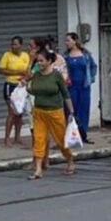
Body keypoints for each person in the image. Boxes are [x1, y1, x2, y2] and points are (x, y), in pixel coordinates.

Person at [26, 50, 76, 179]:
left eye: (42, 61)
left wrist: (71, 111)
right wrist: (31, 61)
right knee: (39, 139)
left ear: (49, 61)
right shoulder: (36, 75)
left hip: (55, 112)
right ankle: (38, 169)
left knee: (60, 139)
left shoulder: (56, 75)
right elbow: (27, 80)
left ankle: (70, 160)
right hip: (39, 112)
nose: (40, 63)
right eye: (38, 61)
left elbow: (65, 93)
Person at [63, 32, 98, 145]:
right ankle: (72, 135)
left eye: (68, 40)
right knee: (71, 111)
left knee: (84, 110)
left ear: (75, 41)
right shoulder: (65, 56)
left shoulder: (85, 54)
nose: (66, 43)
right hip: (71, 87)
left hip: (84, 87)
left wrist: (91, 78)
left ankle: (83, 135)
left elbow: (93, 66)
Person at [0, 36, 31, 148]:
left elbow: (29, 70)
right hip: (10, 85)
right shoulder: (7, 55)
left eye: (16, 44)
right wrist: (17, 72)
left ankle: (17, 137)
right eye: (12, 44)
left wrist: (25, 76)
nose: (13, 46)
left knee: (19, 112)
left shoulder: (26, 56)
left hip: (21, 86)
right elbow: (1, 70)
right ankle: (7, 138)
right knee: (12, 112)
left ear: (21, 45)